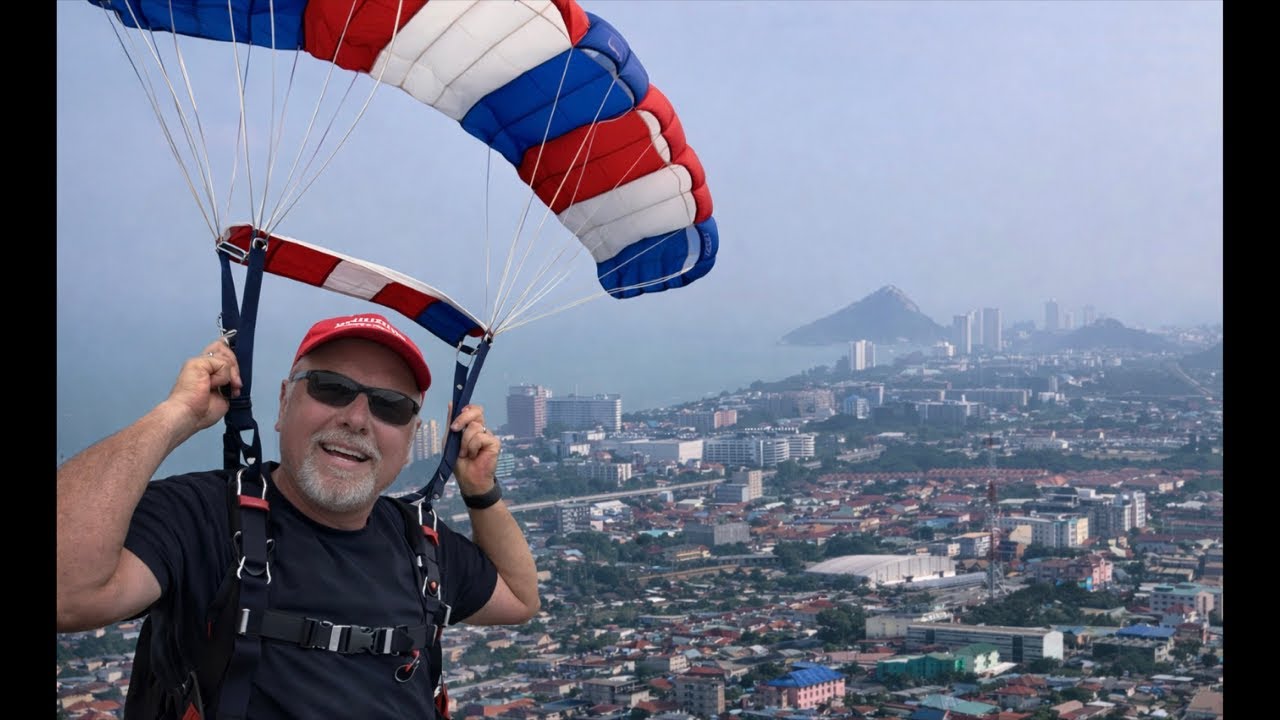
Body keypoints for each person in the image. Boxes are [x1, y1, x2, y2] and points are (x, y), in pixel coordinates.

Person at [56, 312, 540, 718]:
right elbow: (67, 593)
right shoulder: (203, 519)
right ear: (284, 402)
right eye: (331, 388)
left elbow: (520, 599)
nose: (355, 418)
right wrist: (176, 413)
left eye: (390, 406)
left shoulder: (422, 546)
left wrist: (481, 491)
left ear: (412, 435)